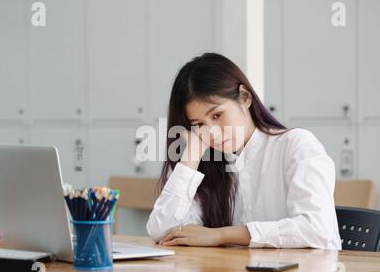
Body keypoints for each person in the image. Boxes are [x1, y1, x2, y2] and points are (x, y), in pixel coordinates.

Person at [146, 52, 341, 249]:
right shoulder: (208, 163)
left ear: (244, 97)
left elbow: (317, 230)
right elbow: (162, 232)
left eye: (217, 115)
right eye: (198, 124)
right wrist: (191, 156)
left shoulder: (296, 145)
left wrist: (220, 235)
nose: (211, 133)